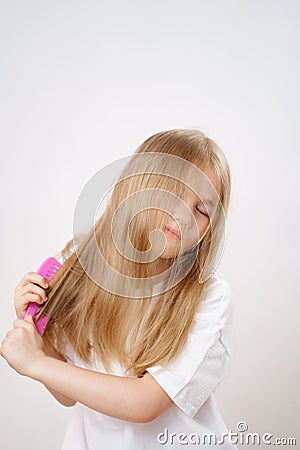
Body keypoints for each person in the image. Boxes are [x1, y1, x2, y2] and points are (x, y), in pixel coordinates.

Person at [1, 129, 238, 449]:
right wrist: (37, 335)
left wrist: (36, 364)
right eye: (175, 193)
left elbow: (144, 404)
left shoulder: (207, 297)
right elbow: (67, 394)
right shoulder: (82, 271)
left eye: (202, 209)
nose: (184, 215)